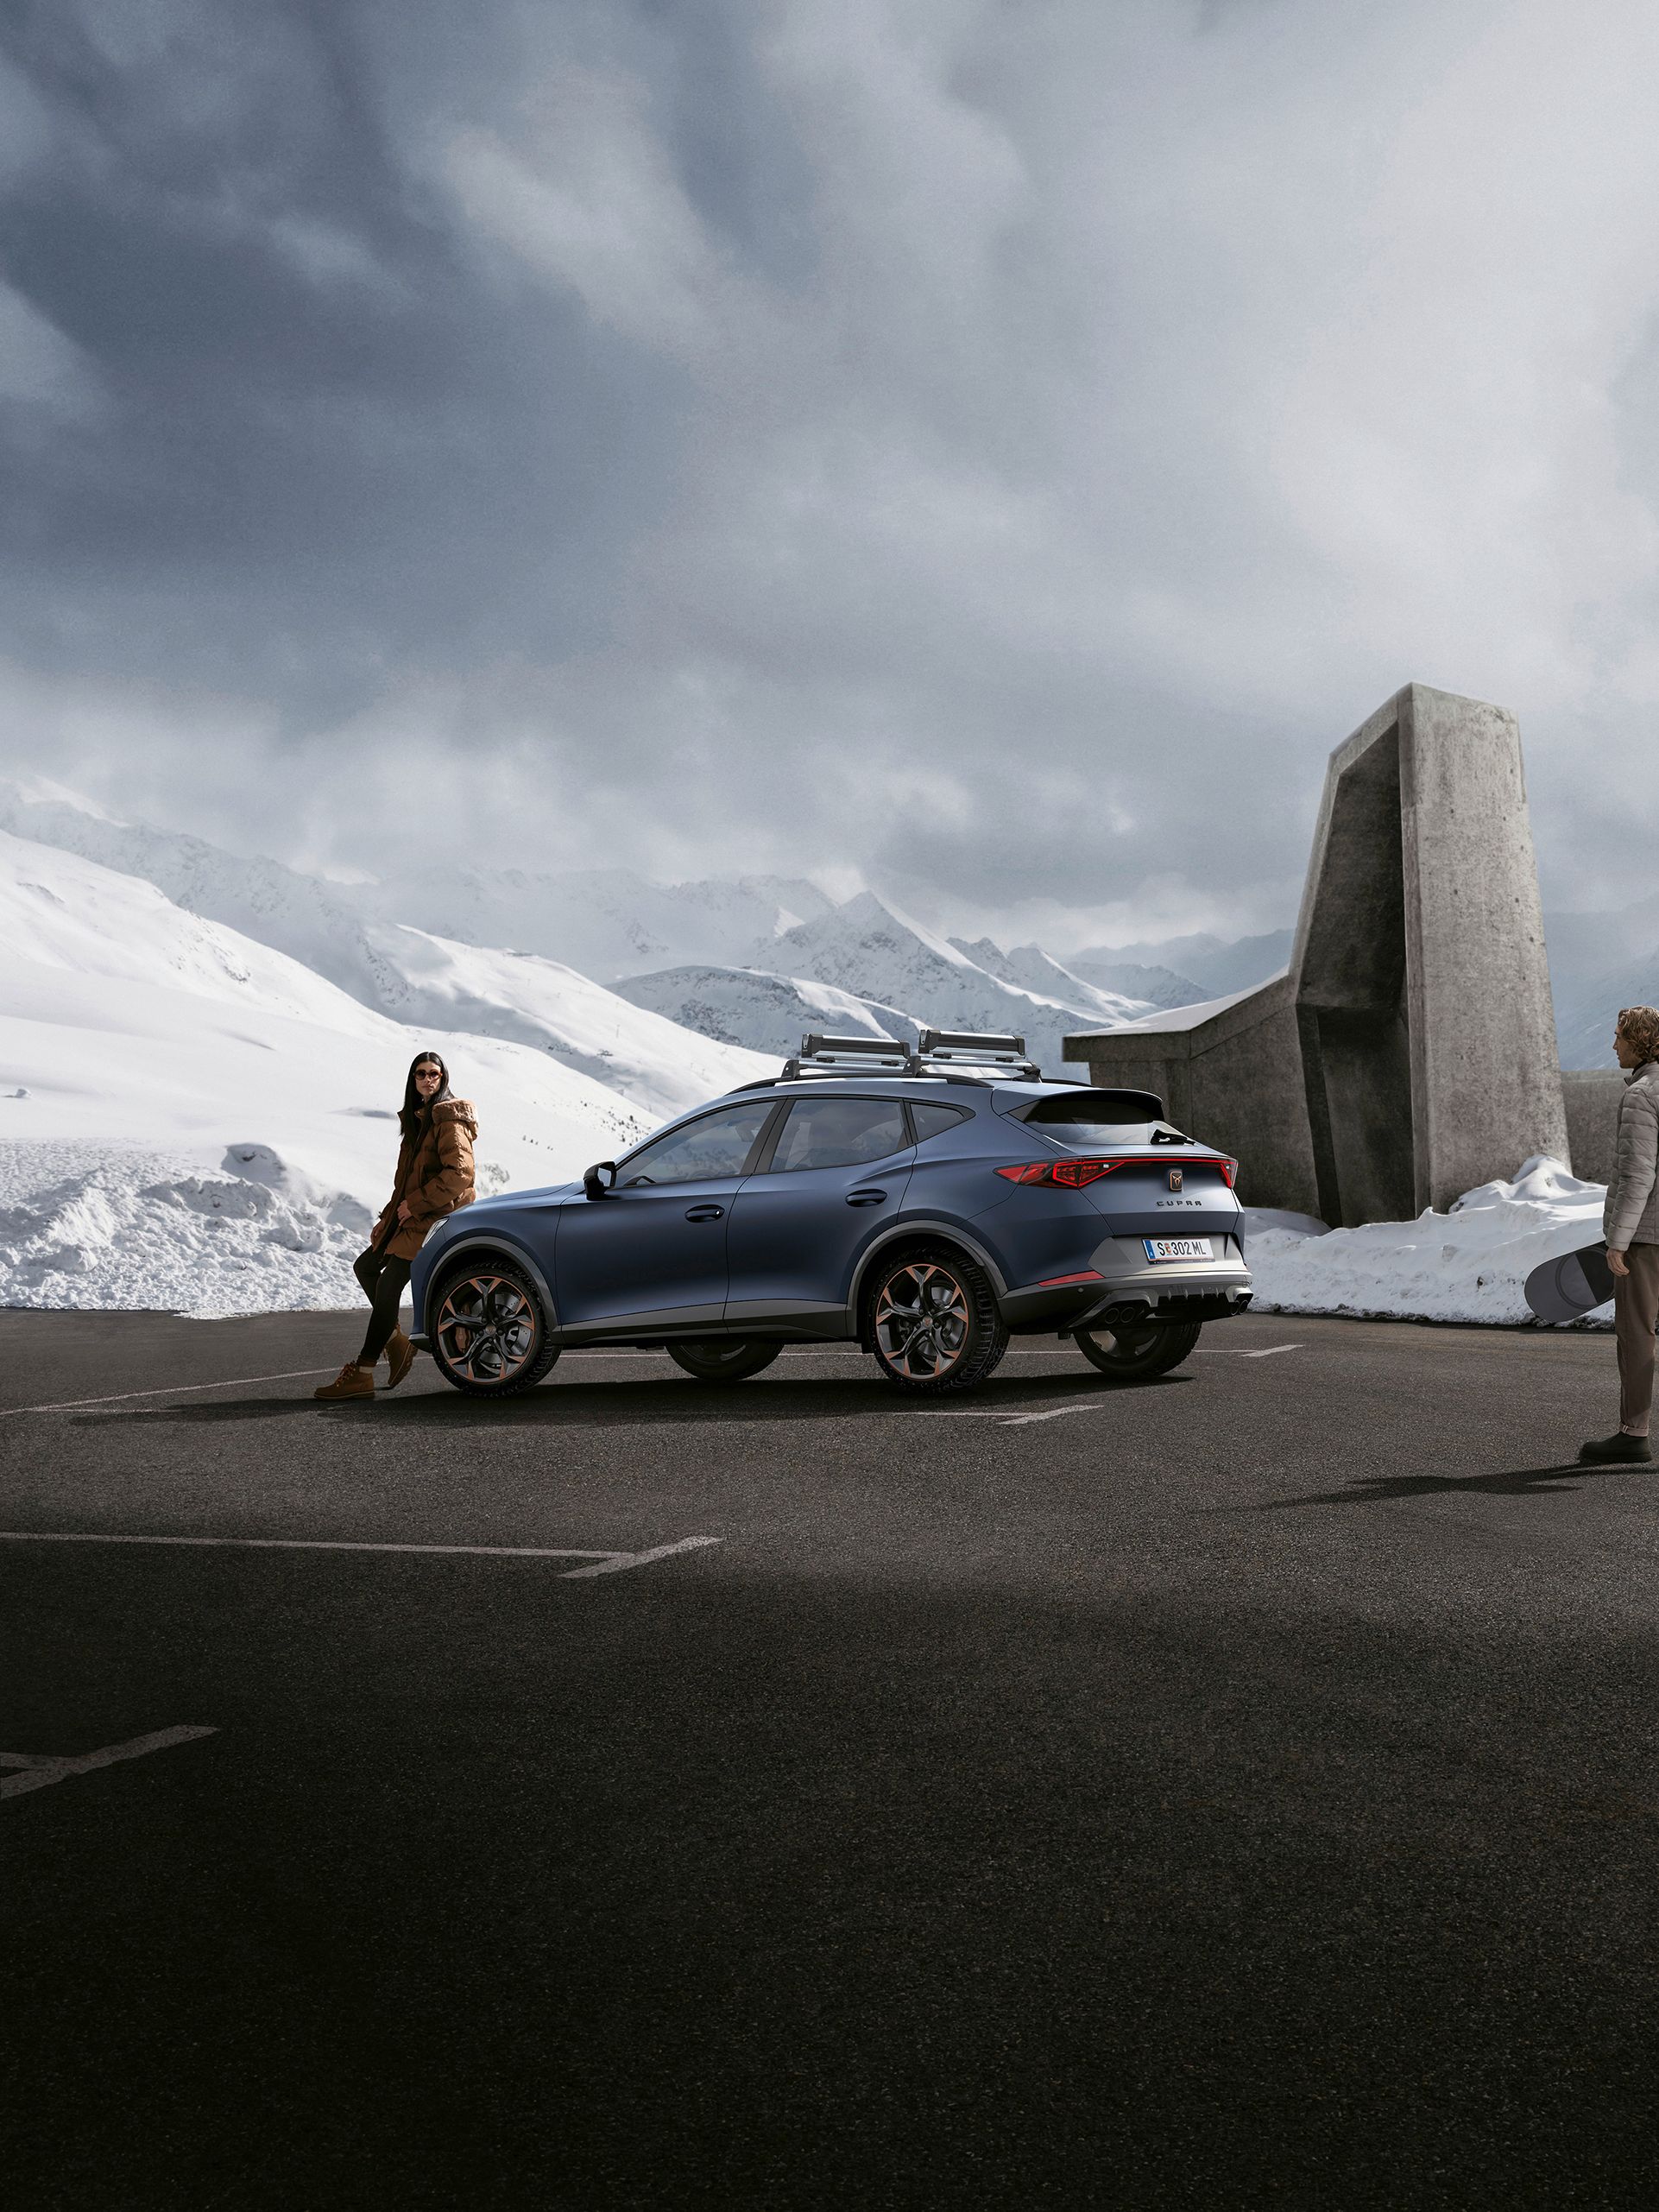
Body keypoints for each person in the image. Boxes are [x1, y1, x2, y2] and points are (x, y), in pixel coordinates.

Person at [314, 1051, 479, 1403]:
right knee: (366, 1266)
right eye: (420, 1074)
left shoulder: (449, 1121)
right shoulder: (419, 1121)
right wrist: (388, 1219)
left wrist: (414, 1205)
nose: (427, 1079)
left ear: (443, 1078)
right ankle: (397, 1342)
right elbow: (405, 1182)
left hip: (438, 1218)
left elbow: (460, 1175)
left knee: (389, 1286)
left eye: (434, 1073)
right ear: (412, 1080)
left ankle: (362, 1373)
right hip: (413, 1215)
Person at [1580, 1006, 1659, 1465]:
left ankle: (1635, 1433)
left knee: (1636, 1332)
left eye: (1619, 1038)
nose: (1613, 1046)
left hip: (1649, 1236)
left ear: (1641, 1041)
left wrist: (1618, 1240)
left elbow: (1636, 1175)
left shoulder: (1643, 1095)